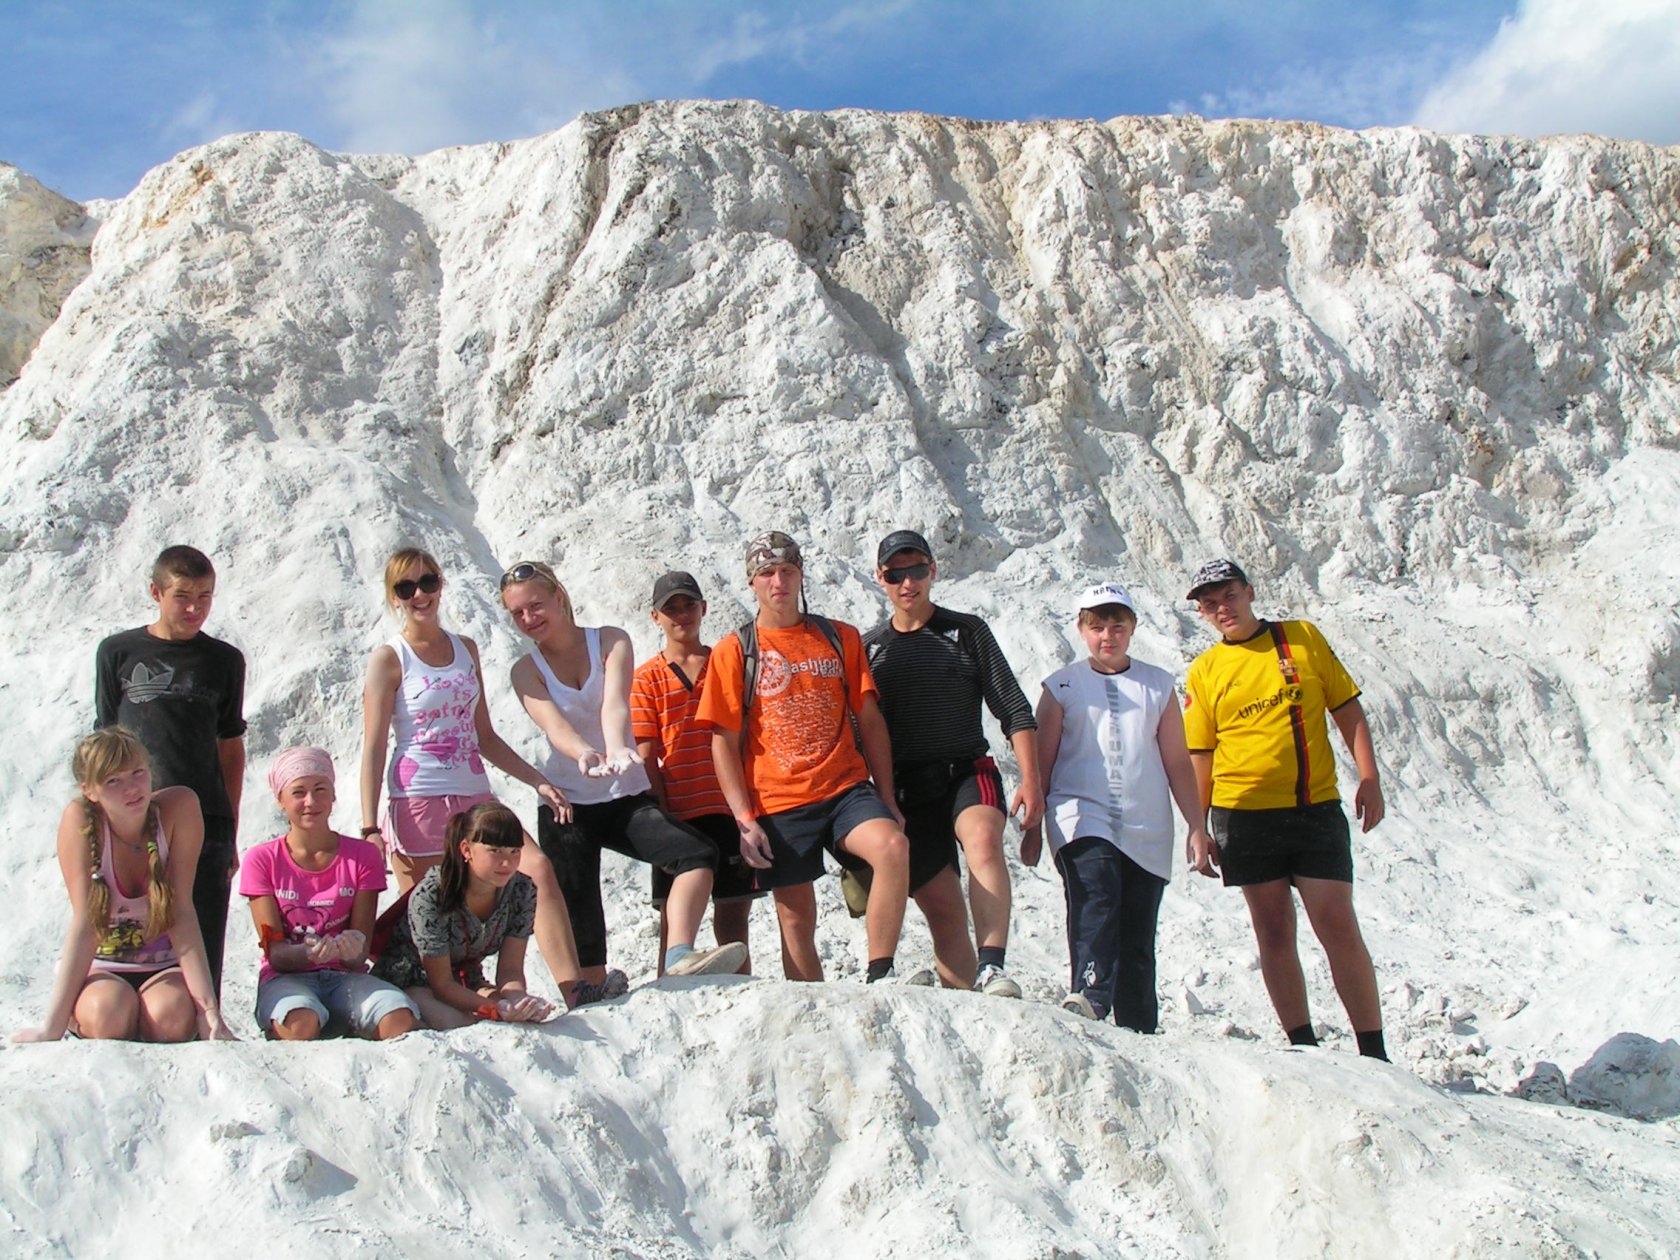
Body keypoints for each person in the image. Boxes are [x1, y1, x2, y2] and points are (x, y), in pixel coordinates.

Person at [358, 547, 613, 1010]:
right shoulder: (389, 658)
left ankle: (573, 989)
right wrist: (369, 827)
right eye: (406, 587)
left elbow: (484, 735)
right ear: (394, 597)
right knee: (432, 908)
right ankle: (452, 1000)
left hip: (473, 794)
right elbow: (374, 745)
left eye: (428, 582)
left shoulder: (465, 648)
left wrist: (536, 780)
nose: (420, 595)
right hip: (418, 798)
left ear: (441, 584)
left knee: (534, 869)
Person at [1182, 559, 1389, 1060]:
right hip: (1243, 815)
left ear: (1249, 592)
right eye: (1209, 604)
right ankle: (1304, 1047)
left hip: (1313, 807)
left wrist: (1370, 777)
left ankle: (1374, 1051)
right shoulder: (1206, 670)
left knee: (1337, 921)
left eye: (1228, 595)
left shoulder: (1300, 639)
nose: (1221, 609)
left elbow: (1346, 708)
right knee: (1273, 929)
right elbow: (1200, 755)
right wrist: (1197, 824)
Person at [501, 561, 746, 982]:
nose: (528, 619)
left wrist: (615, 748)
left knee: (696, 854)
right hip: (566, 806)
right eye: (517, 614)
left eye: (535, 606)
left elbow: (616, 702)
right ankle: (587, 997)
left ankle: (678, 958)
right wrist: (584, 752)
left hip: (624, 795)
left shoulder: (610, 640)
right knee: (583, 916)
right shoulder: (525, 670)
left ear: (559, 596)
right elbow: (555, 728)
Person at [698, 531, 913, 984]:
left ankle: (881, 972)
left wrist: (888, 798)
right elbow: (723, 741)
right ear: (752, 583)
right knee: (796, 920)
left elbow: (870, 721)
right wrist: (743, 818)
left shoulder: (839, 637)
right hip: (778, 800)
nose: (779, 581)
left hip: (846, 788)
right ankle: (815, 1006)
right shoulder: (735, 651)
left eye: (788, 571)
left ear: (800, 575)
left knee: (892, 847)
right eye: (767, 573)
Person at [1023, 584, 1214, 1031]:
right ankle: (1089, 993)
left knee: (1138, 930)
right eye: (1097, 627)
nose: (1107, 636)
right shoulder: (1061, 686)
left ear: (1132, 628)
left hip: (1147, 824)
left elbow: (1177, 763)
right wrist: (1033, 825)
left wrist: (1196, 826)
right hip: (1079, 815)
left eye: (1117, 626)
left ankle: (1139, 1026)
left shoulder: (1158, 684)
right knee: (1097, 892)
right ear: (1081, 629)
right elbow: (1041, 761)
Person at [864, 529, 1042, 995]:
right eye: (895, 574)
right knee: (943, 910)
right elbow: (861, 732)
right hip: (907, 788)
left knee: (983, 839)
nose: (908, 582)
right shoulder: (870, 650)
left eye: (917, 570)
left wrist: (1032, 780)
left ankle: (993, 965)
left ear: (933, 571)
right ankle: (966, 1006)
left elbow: (1014, 709)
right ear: (880, 579)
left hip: (967, 768)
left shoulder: (966, 630)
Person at [13, 728, 234, 1043]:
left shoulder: (179, 808)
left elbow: (181, 912)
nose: (131, 788)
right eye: (113, 781)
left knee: (170, 1018)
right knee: (108, 1015)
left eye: (137, 773)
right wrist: (52, 1026)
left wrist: (209, 1013)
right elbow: (86, 923)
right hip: (102, 967)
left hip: (162, 966)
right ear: (90, 791)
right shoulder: (81, 822)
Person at [95, 544, 245, 998]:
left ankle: (205, 1019)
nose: (194, 607)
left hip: (204, 819)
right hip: (131, 819)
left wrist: (230, 827)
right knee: (130, 929)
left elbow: (230, 749)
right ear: (156, 592)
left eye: (205, 596)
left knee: (200, 927)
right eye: (183, 595)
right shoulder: (117, 652)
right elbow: (105, 744)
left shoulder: (225, 660)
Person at [630, 571, 763, 975]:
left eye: (689, 605)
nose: (682, 615)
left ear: (704, 608)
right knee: (673, 921)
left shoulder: (726, 664)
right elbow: (647, 754)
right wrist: (662, 818)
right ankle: (667, 993)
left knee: (733, 918)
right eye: (671, 608)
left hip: (728, 809)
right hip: (678, 815)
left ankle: (743, 992)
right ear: (656, 617)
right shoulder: (646, 677)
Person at [239, 748, 419, 1042]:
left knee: (398, 1019)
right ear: (280, 800)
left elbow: (360, 948)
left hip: (346, 977)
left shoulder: (362, 857)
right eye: (298, 792)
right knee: (300, 1023)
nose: (310, 801)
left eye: (320, 790)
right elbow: (276, 952)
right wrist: (306, 953)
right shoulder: (262, 860)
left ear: (333, 795)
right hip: (287, 978)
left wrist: (350, 949)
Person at [369, 801, 555, 1028]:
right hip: (412, 979)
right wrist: (495, 1009)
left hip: (466, 979)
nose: (507, 862)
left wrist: (518, 1001)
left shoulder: (522, 890)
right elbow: (441, 984)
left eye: (514, 851)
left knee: (512, 1015)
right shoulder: (432, 895)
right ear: (466, 850)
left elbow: (510, 971)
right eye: (495, 851)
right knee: (459, 1023)